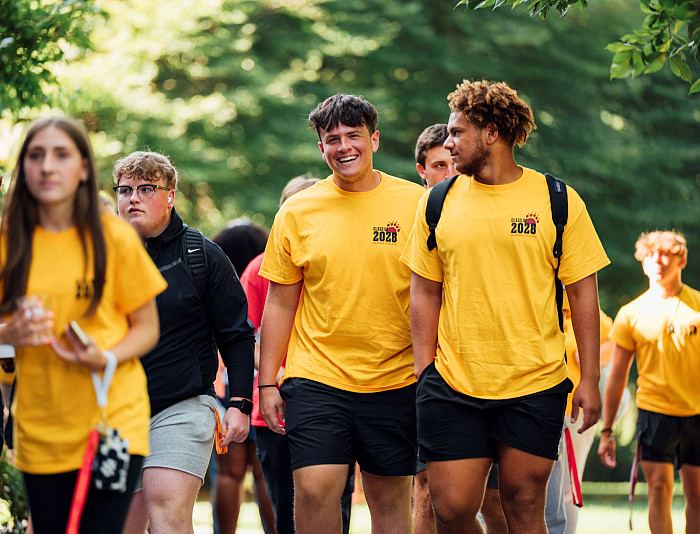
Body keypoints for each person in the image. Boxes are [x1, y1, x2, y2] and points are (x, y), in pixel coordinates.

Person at [401, 79, 610, 534]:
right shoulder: (438, 202)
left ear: (491, 133)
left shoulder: (558, 201)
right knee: (451, 510)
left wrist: (590, 379)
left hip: (534, 382)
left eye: (457, 133)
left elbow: (583, 293)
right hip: (453, 383)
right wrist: (424, 370)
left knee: (523, 505)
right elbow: (423, 290)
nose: (448, 142)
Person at [258, 94, 424, 534]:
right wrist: (268, 381)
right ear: (321, 148)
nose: (344, 146)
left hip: (396, 376)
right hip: (317, 377)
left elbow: (436, 293)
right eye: (333, 139)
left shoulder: (415, 203)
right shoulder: (297, 210)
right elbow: (279, 300)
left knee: (389, 498)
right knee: (313, 489)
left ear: (374, 139)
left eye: (354, 136)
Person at [0, 117, 165, 533]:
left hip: (111, 426)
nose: (47, 167)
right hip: (39, 426)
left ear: (84, 168)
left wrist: (103, 356)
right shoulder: (9, 240)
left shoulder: (113, 236)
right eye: (36, 155)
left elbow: (147, 328)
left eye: (61, 155)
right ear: (24, 168)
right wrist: (6, 335)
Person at [114, 151, 255, 534]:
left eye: (146, 188)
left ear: (171, 194)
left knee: (167, 514)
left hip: (181, 405)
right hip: (112, 409)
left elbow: (237, 335)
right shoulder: (98, 256)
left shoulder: (202, 256)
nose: (133, 198)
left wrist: (240, 403)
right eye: (125, 190)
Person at [241, 175, 355, 534]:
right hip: (276, 405)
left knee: (338, 501)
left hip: (336, 395)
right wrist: (280, 376)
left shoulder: (343, 260)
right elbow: (246, 339)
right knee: (283, 506)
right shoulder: (259, 269)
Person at [413, 123, 507, 534]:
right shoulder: (418, 215)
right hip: (428, 376)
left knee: (496, 498)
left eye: (452, 162)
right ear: (422, 171)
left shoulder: (492, 211)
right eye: (438, 165)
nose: (448, 172)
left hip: (489, 378)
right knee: (427, 490)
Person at [598, 230, 700, 534]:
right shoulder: (630, 314)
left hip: (696, 413)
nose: (659, 260)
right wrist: (607, 429)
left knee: (697, 494)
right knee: (658, 489)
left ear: (682, 259)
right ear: (643, 263)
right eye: (652, 255)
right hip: (654, 414)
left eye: (667, 254)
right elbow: (617, 375)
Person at [210, 219, 276, 534]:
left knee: (228, 474)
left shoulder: (218, 282)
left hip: (229, 386)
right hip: (267, 383)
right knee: (265, 474)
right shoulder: (267, 273)